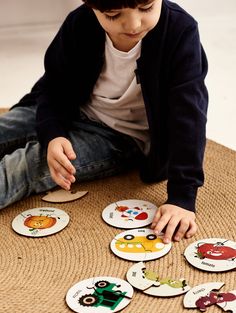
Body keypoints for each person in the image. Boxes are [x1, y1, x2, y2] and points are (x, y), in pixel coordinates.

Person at [0, 0, 208, 243]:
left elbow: (189, 117)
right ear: (92, 6)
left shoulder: (180, 31)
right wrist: (53, 134)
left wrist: (181, 198)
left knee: (24, 165)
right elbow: (54, 87)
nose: (133, 24)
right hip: (69, 109)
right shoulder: (79, 22)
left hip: (118, 136)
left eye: (147, 8)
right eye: (113, 14)